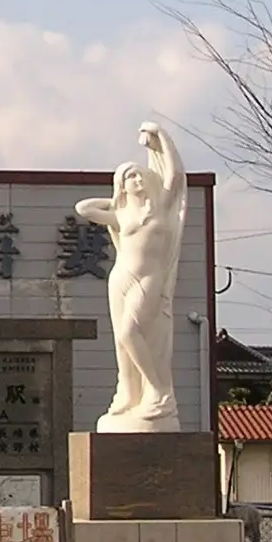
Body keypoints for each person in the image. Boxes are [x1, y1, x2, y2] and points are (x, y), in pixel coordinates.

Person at [74, 122, 187, 431]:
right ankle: (130, 394)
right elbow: (83, 208)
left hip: (149, 278)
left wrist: (159, 135)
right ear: (121, 186)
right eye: (128, 177)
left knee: (130, 333)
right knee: (121, 345)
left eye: (137, 174)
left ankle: (159, 393)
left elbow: (175, 175)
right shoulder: (121, 214)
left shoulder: (162, 206)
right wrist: (116, 201)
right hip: (120, 278)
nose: (136, 179)